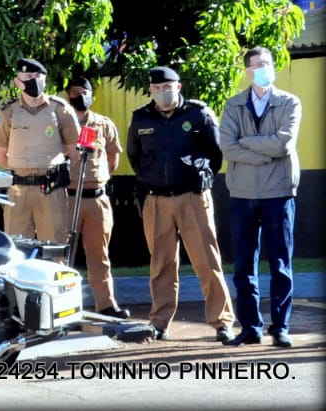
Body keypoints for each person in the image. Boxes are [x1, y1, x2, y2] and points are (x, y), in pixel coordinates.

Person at [127, 66, 235, 342]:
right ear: (150, 90)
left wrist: (200, 175)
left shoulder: (198, 114)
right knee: (161, 264)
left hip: (192, 197)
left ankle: (222, 322)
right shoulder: (141, 118)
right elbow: (135, 157)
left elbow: (215, 153)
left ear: (179, 87)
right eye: (157, 88)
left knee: (207, 261)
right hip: (156, 200)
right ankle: (159, 322)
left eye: (168, 87)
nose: (163, 92)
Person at [218, 46, 302, 348]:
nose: (265, 68)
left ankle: (280, 327)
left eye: (268, 63)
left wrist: (248, 143)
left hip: (279, 192)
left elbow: (283, 145)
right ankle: (250, 328)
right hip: (242, 194)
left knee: (280, 264)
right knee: (243, 265)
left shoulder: (289, 102)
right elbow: (228, 147)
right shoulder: (233, 105)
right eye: (258, 64)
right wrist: (264, 154)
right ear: (248, 70)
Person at [0, 58, 79, 244]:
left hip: (51, 189)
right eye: (29, 76)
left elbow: (72, 150)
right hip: (18, 190)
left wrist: (46, 165)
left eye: (38, 76)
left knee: (54, 246)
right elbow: (0, 154)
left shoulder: (61, 110)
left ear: (45, 80)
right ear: (18, 82)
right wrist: (24, 168)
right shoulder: (8, 111)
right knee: (17, 248)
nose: (34, 81)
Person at [64, 76, 130, 319]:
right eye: (75, 92)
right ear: (67, 96)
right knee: (62, 255)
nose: (80, 97)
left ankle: (106, 305)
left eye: (84, 92)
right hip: (67, 198)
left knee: (99, 255)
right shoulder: (61, 123)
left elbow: (113, 159)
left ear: (91, 95)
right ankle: (62, 307)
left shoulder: (103, 124)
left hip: (96, 200)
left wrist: (97, 177)